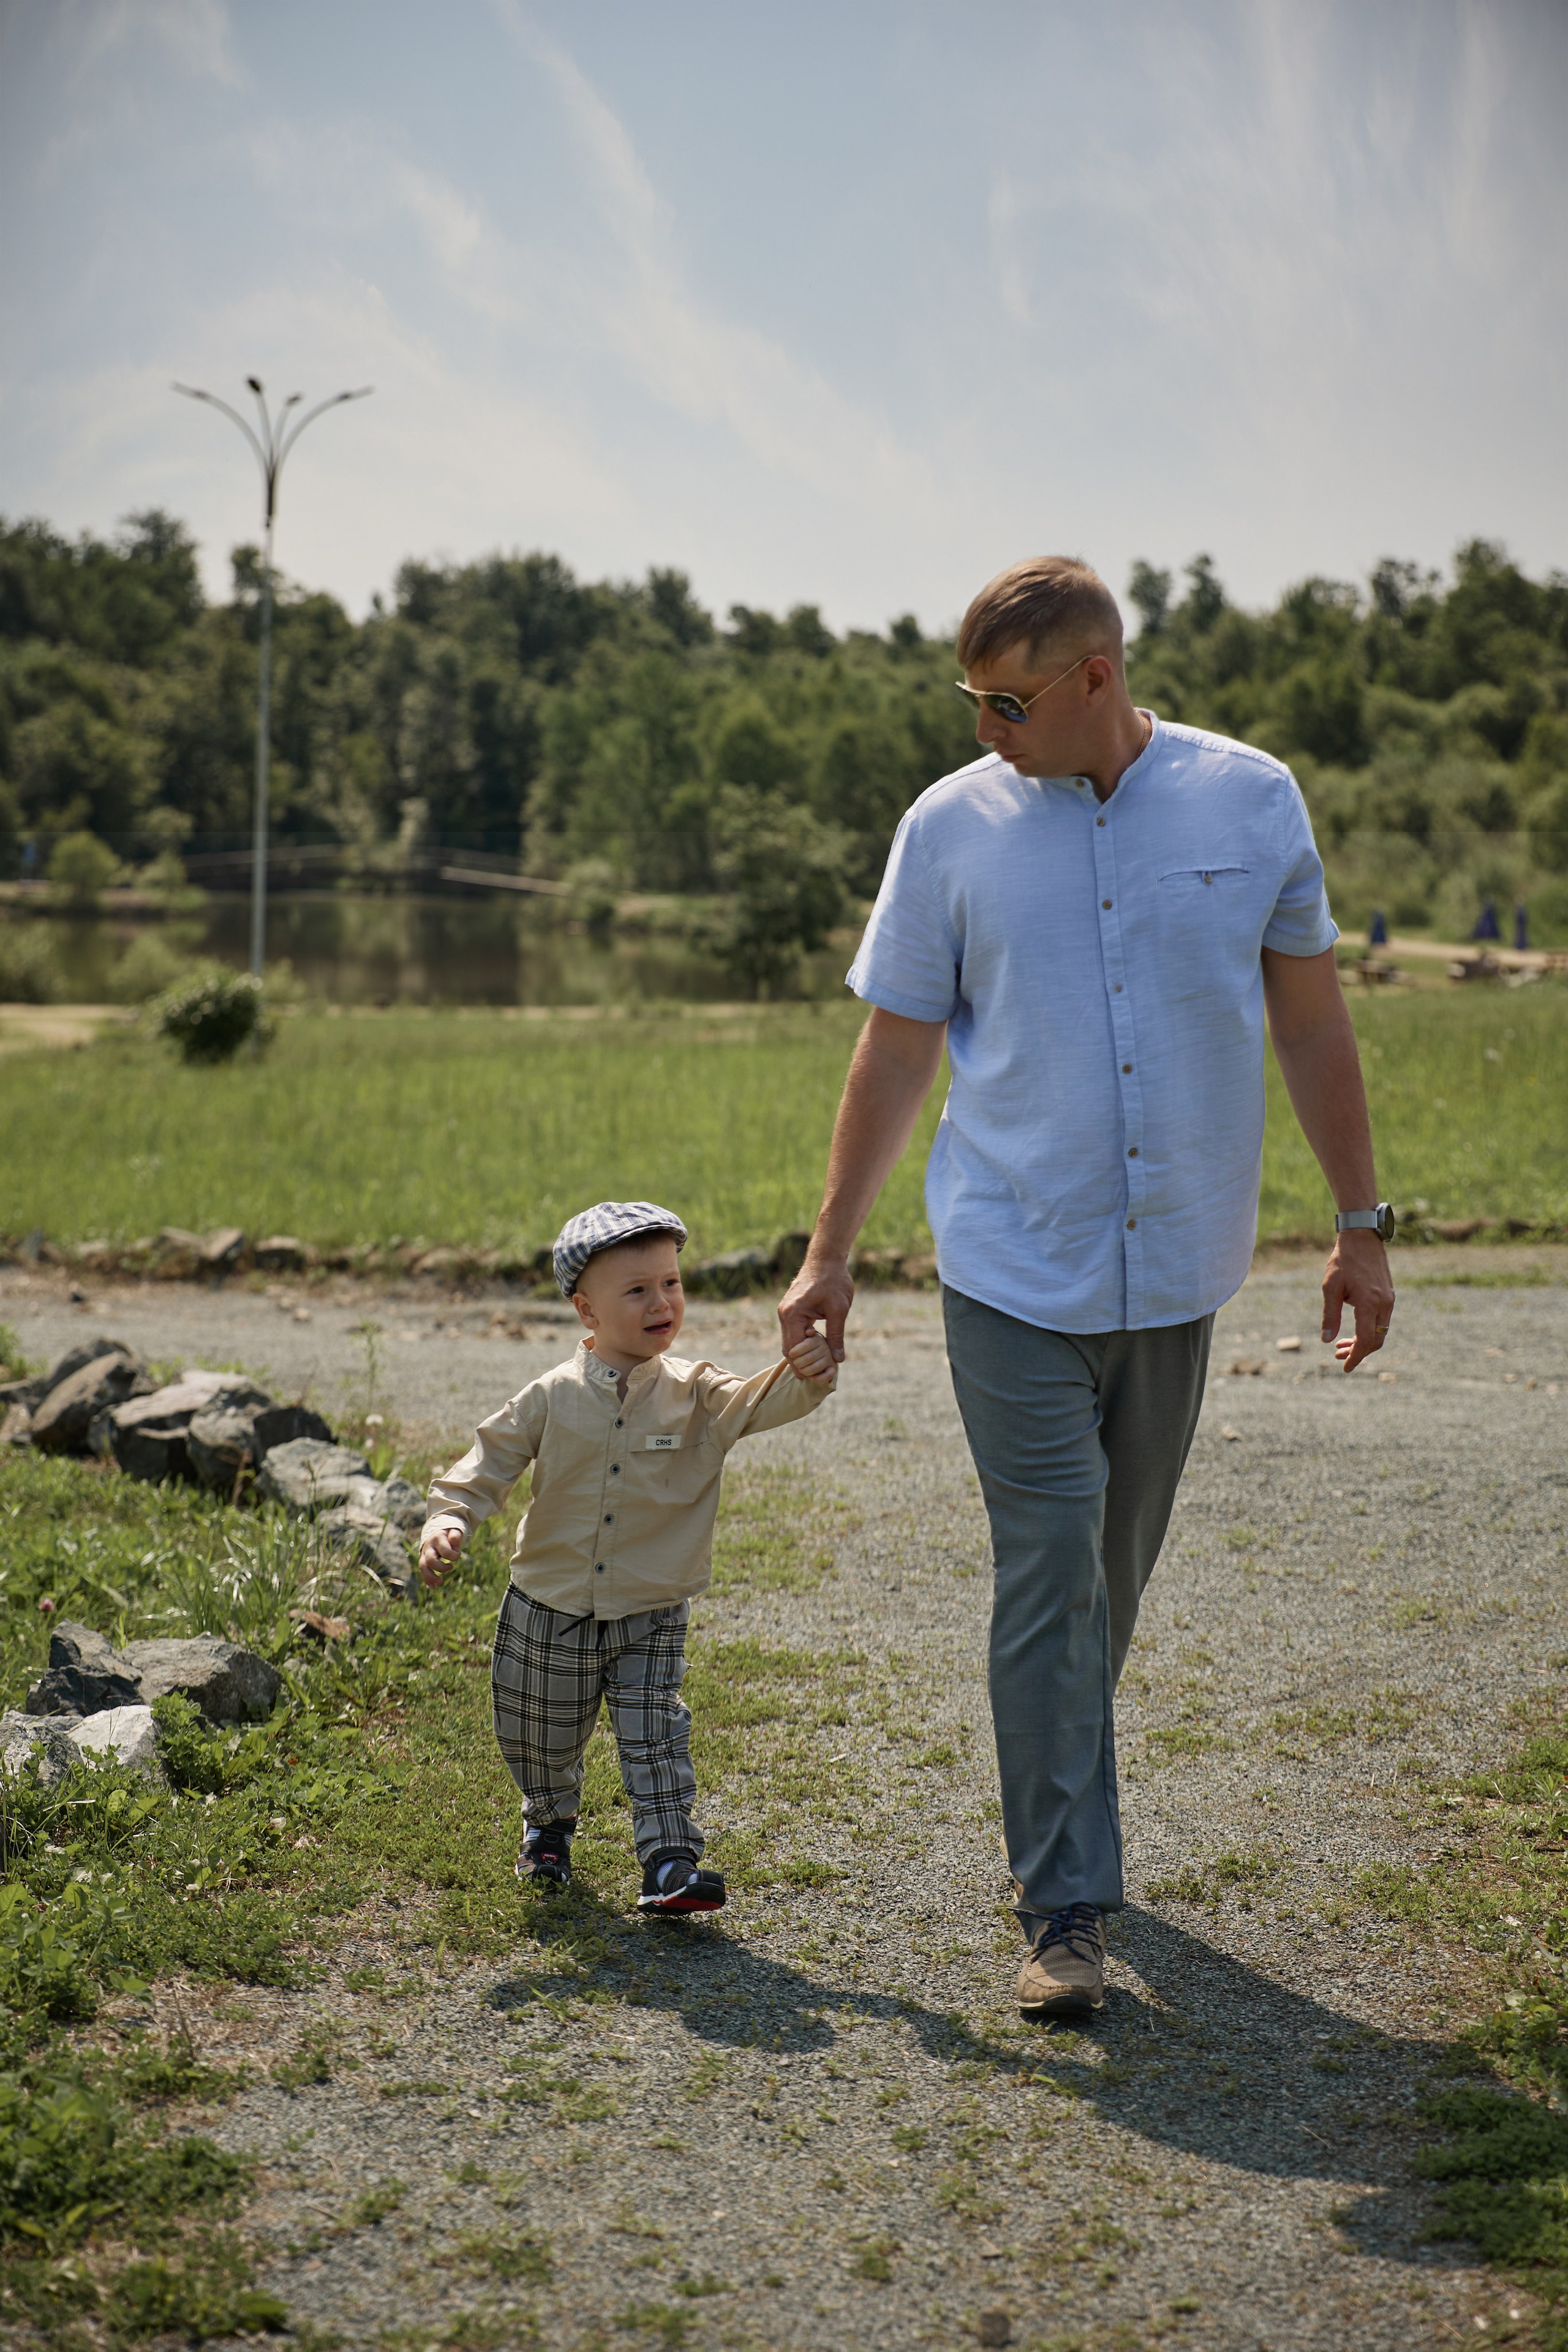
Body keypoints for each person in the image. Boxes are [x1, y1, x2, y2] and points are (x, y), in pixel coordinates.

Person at [779, 556, 1395, 2021]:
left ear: (1094, 680)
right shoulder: (949, 826)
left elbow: (1308, 1026)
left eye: (1004, 702)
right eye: (969, 701)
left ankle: (1053, 1781)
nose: (984, 728)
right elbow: (894, 1049)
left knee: (1103, 1588)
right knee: (1049, 1568)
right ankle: (1064, 1906)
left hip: (1175, 1267)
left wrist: (1358, 1224)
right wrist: (828, 1252)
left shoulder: (1247, 800)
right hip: (1007, 1263)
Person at [420, 1200, 835, 1915]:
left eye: (671, 1283)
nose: (662, 1302)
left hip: (650, 1603)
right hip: (548, 1601)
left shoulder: (696, 1392)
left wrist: (808, 1370)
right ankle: (547, 1825)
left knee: (654, 1732)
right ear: (587, 1309)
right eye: (637, 1290)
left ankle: (670, 1859)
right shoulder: (550, 1397)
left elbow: (760, 1402)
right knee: (537, 1728)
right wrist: (449, 1517)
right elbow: (487, 1461)